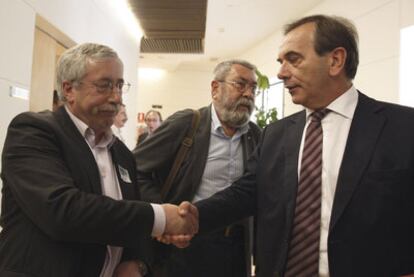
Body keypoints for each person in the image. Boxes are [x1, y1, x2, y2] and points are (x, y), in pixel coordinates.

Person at [175, 15, 414, 276]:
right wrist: (194, 216)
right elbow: (246, 193)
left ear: (335, 60)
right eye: (280, 62)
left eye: (294, 59)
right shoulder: (275, 134)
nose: (281, 73)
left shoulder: (403, 128)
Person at [0, 43, 197, 277]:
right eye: (104, 86)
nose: (116, 97)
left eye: (120, 86)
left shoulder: (122, 154)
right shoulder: (34, 132)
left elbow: (128, 217)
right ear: (69, 89)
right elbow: (64, 212)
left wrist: (138, 261)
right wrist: (161, 218)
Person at [134, 59, 261, 276]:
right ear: (215, 88)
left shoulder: (256, 137)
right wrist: (166, 216)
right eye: (240, 85)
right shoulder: (187, 124)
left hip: (234, 248)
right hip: (182, 245)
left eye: (253, 88)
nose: (248, 94)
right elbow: (136, 169)